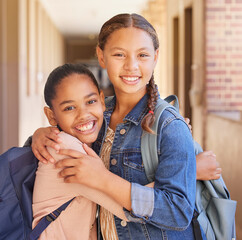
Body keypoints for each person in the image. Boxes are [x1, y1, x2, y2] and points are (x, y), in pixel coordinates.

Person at [29, 14, 221, 239]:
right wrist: (39, 136)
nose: (132, 66)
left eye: (142, 55)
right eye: (119, 54)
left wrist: (103, 179)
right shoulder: (96, 115)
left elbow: (177, 212)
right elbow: (59, 151)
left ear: (155, 57)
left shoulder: (169, 126)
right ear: (101, 56)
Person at [32, 63, 133, 240]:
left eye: (90, 101)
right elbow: (128, 208)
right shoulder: (65, 149)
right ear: (51, 116)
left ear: (102, 101)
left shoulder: (80, 141)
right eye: (69, 108)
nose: (83, 114)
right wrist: (183, 169)